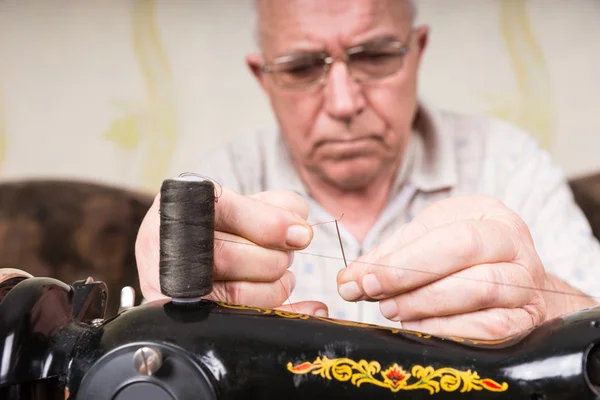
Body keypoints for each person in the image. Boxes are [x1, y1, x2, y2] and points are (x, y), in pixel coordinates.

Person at [16, 0, 600, 341]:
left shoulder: (511, 163)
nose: (344, 102)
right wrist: (174, 328)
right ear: (262, 76)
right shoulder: (217, 189)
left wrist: (549, 304)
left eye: (374, 56)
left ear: (417, 48)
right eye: (301, 68)